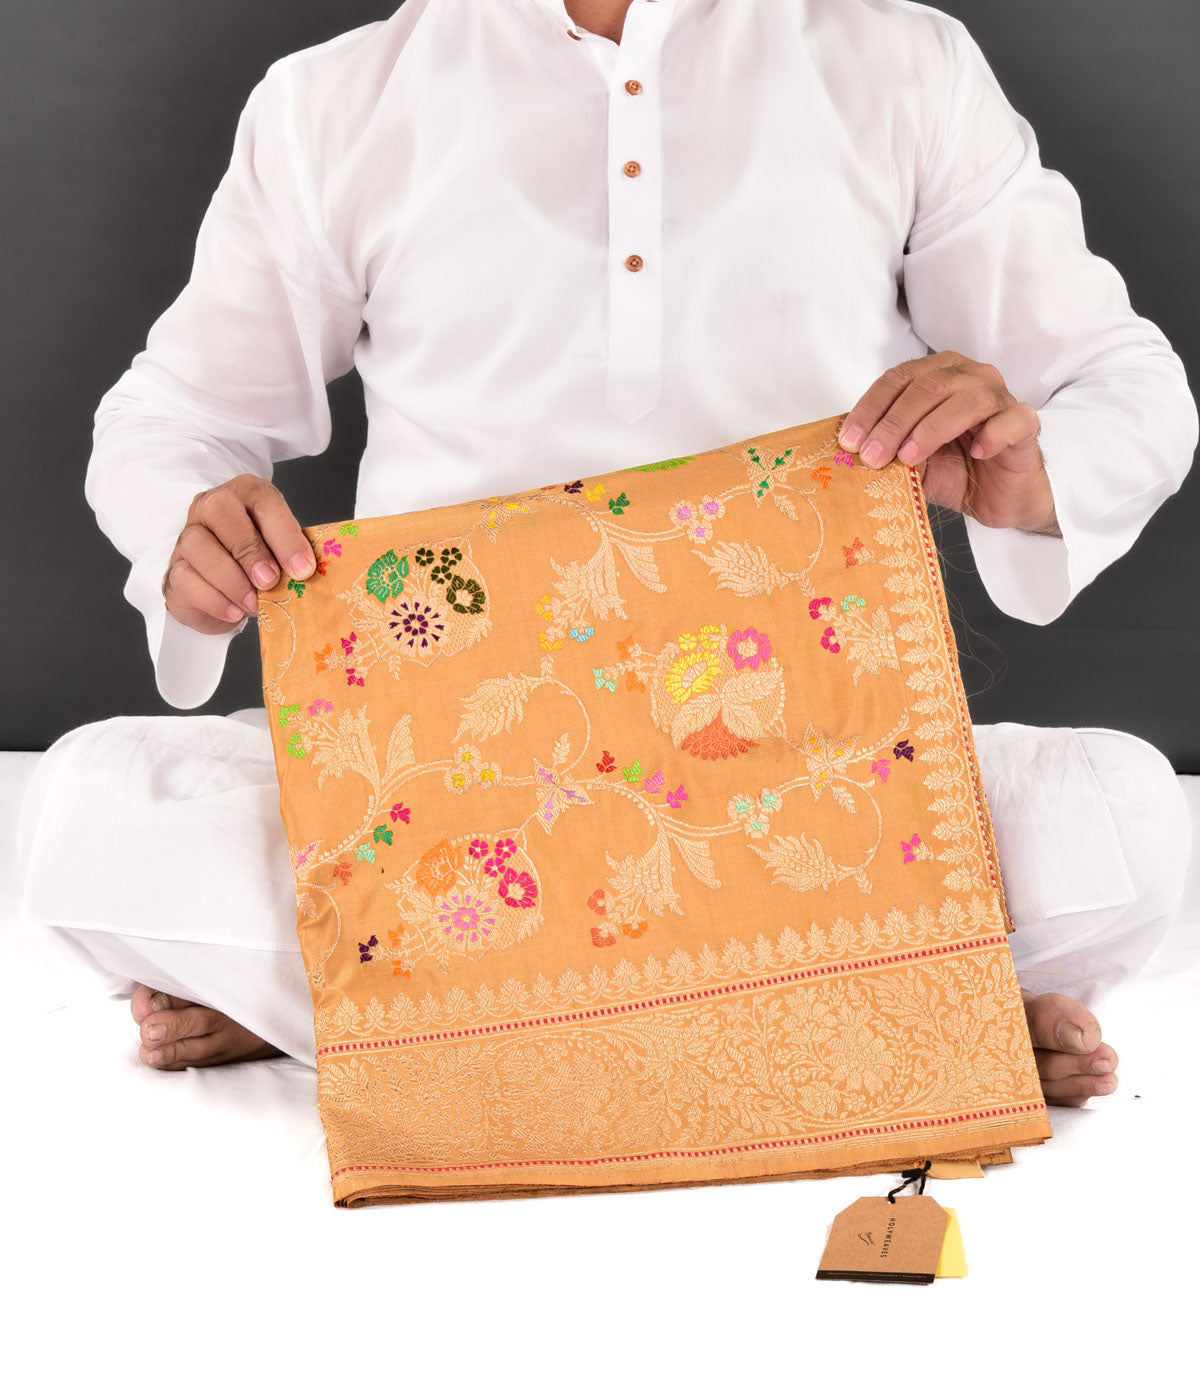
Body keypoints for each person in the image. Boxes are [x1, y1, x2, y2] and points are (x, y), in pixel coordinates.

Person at [17, 0, 1197, 1106]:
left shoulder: (899, 66)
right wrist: (188, 524)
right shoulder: (337, 101)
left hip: (813, 773)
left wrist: (1034, 478)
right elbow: (173, 415)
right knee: (83, 814)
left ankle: (378, 1014)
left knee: (1129, 820)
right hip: (447, 800)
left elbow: (1125, 383)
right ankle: (888, 1020)